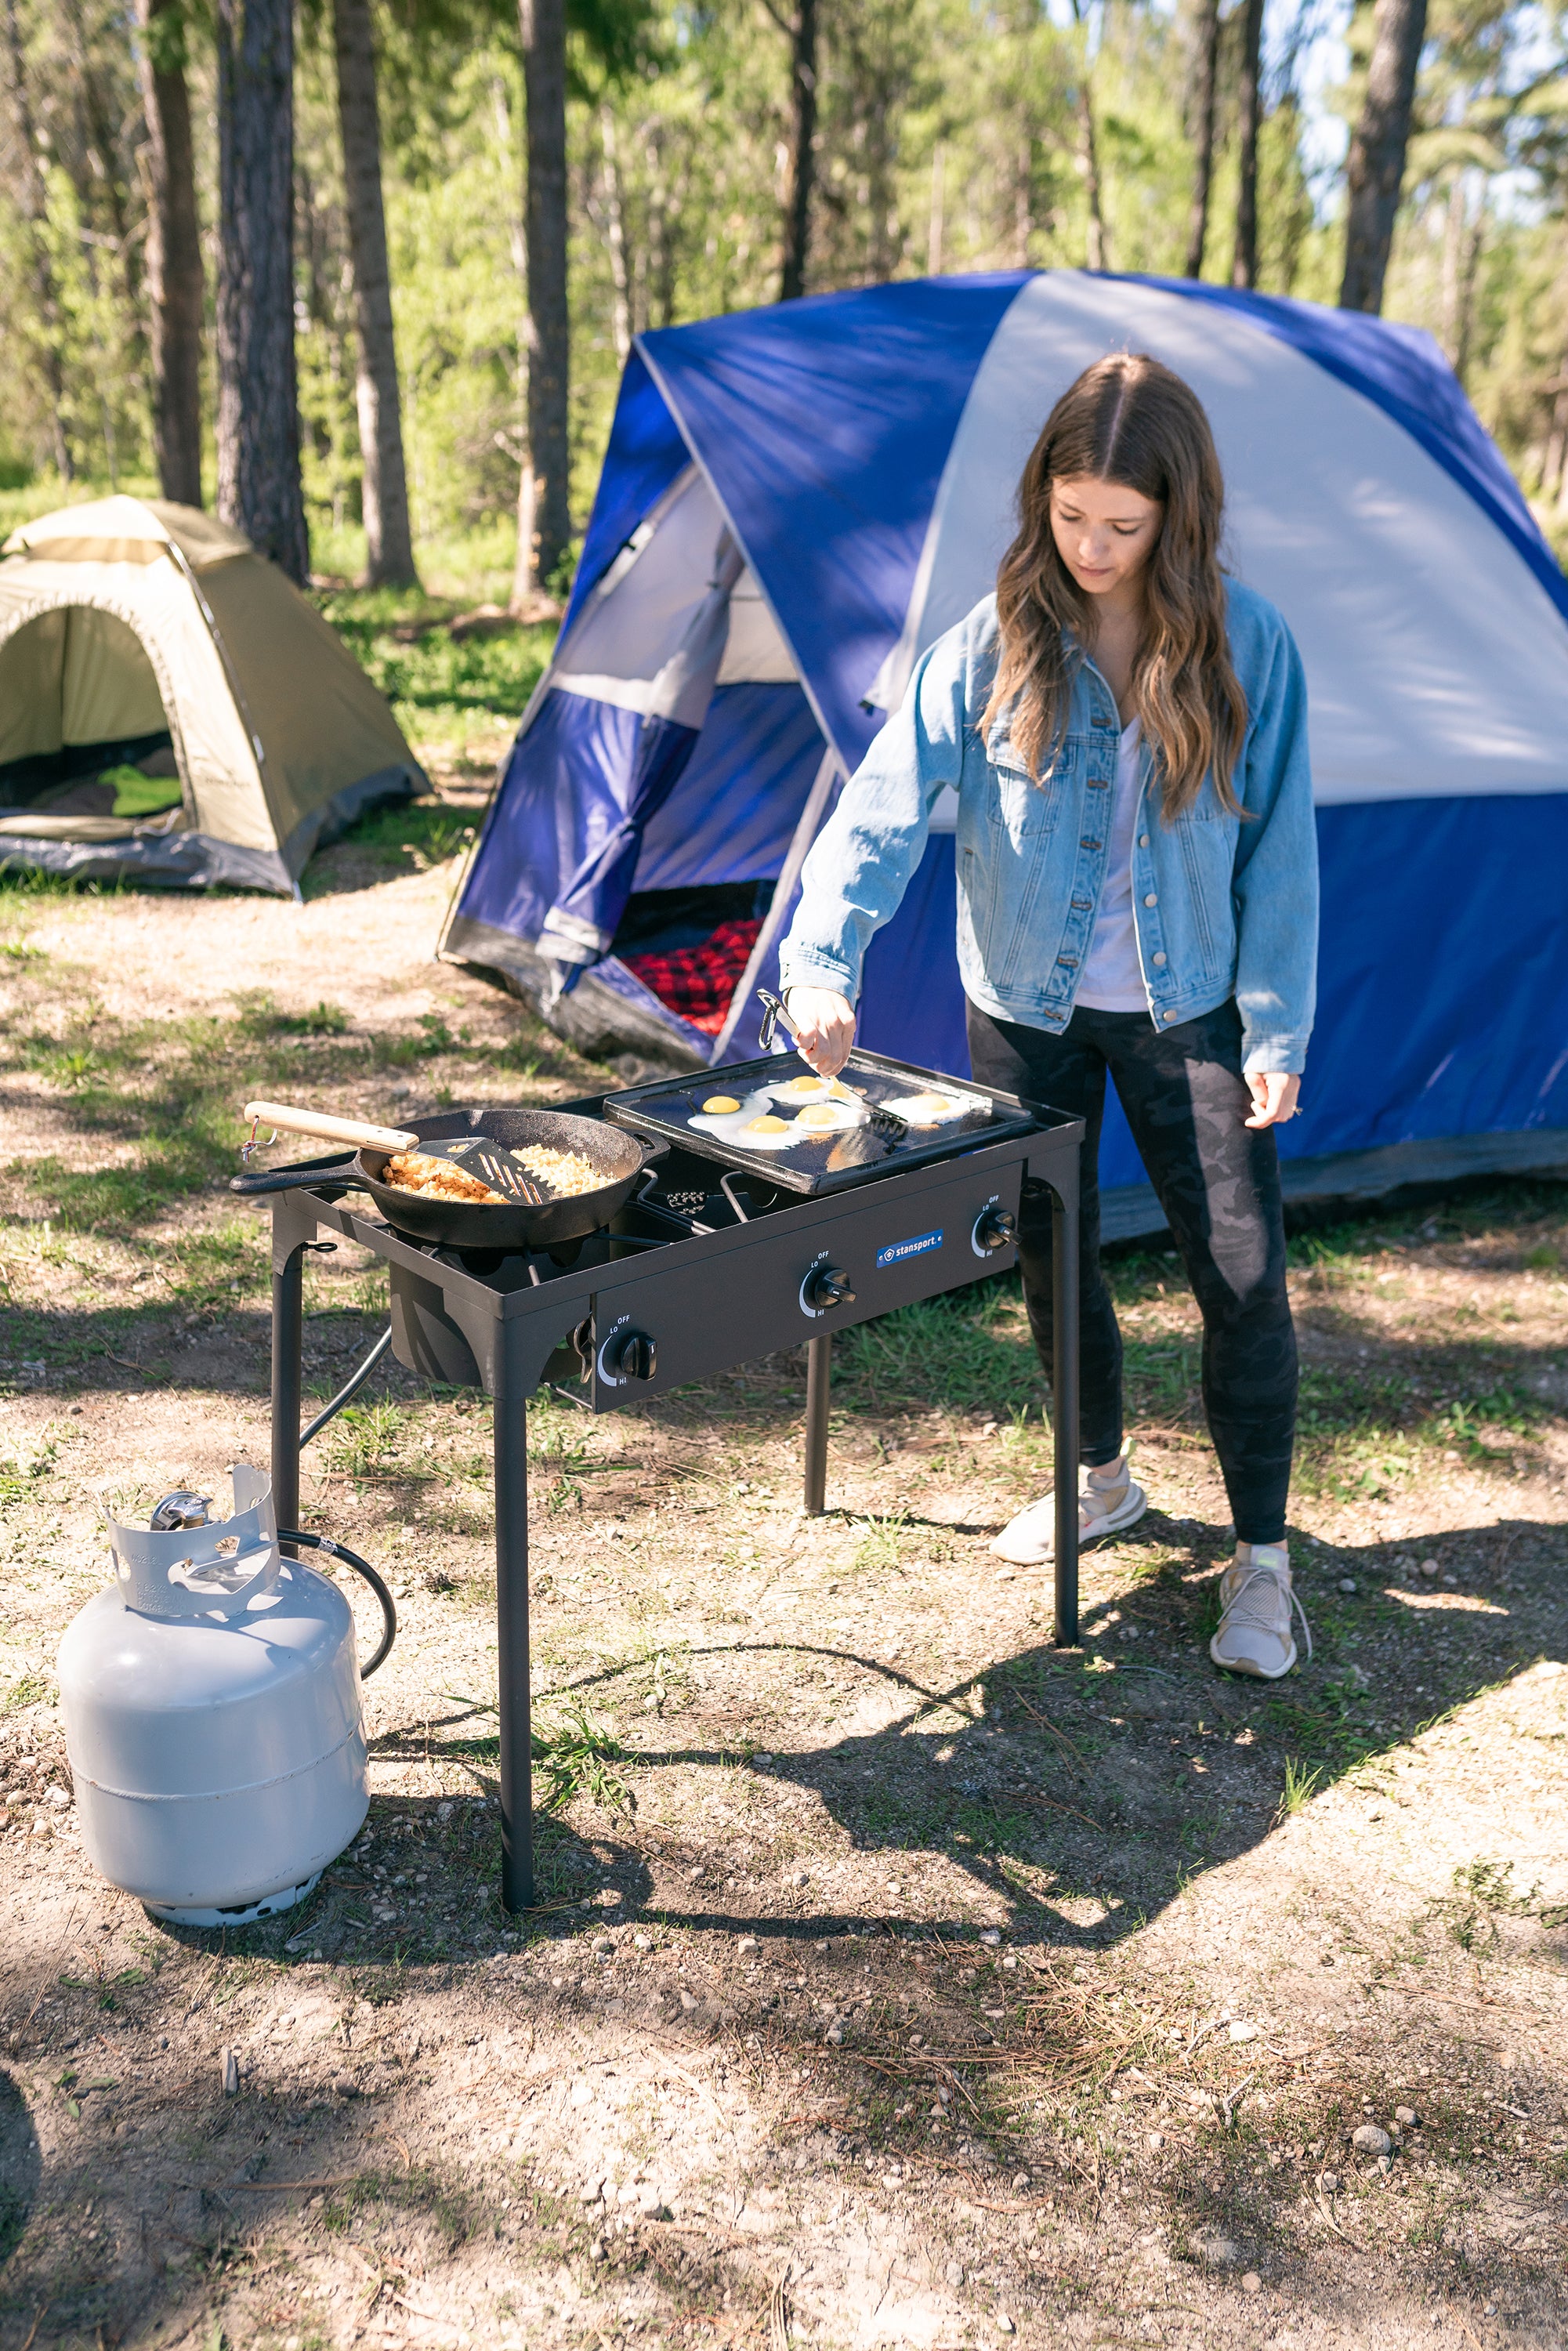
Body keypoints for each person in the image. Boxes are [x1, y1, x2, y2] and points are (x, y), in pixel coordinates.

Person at [777, 353, 1317, 1681]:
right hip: (1021, 1005)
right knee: (1049, 1262)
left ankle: (1263, 1567)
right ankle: (1100, 1480)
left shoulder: (1249, 646)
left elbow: (1281, 853)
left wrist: (1277, 1026)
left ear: (1174, 518)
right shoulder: (991, 641)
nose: (1090, 546)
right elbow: (881, 806)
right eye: (1071, 514)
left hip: (1189, 1007)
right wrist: (820, 957)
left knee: (1239, 1279)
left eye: (1121, 526)